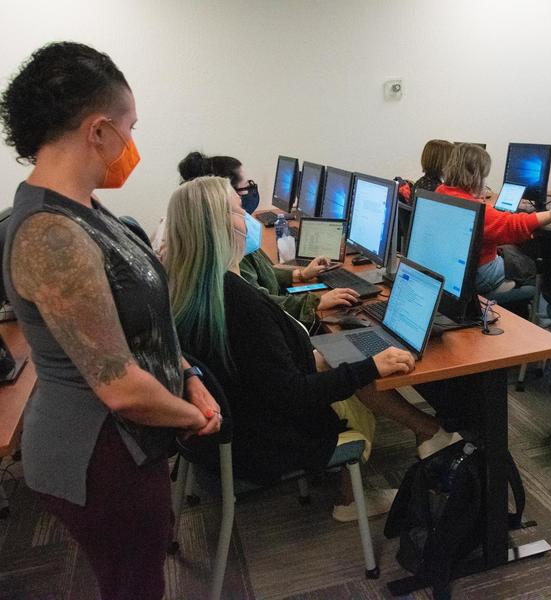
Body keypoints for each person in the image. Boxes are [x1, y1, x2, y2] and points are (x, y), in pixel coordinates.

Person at [0, 42, 221, 600]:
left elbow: (143, 325)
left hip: (130, 440)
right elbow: (119, 386)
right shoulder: (50, 235)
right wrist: (190, 417)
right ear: (99, 131)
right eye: (130, 127)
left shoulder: (85, 207)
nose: (132, 145)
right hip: (99, 456)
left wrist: (188, 375)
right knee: (135, 586)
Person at [164, 176, 458, 521]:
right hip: (271, 435)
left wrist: (331, 356)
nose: (247, 217)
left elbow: (262, 367)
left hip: (237, 421)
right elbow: (292, 394)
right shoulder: (238, 301)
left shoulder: (192, 286)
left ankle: (430, 432)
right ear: (213, 225)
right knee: (359, 380)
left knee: (345, 357)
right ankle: (351, 500)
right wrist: (370, 367)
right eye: (236, 210)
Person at [163, 151, 359, 328]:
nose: (252, 191)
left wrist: (299, 274)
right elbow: (260, 302)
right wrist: (316, 302)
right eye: (246, 188)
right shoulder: (225, 262)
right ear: (223, 198)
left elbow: (261, 274)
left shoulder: (202, 246)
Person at [436, 143, 551, 305]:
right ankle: (535, 315)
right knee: (530, 264)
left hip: (454, 268)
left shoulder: (441, 192)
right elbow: (515, 225)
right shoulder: (476, 210)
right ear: (476, 175)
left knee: (513, 250)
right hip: (481, 273)